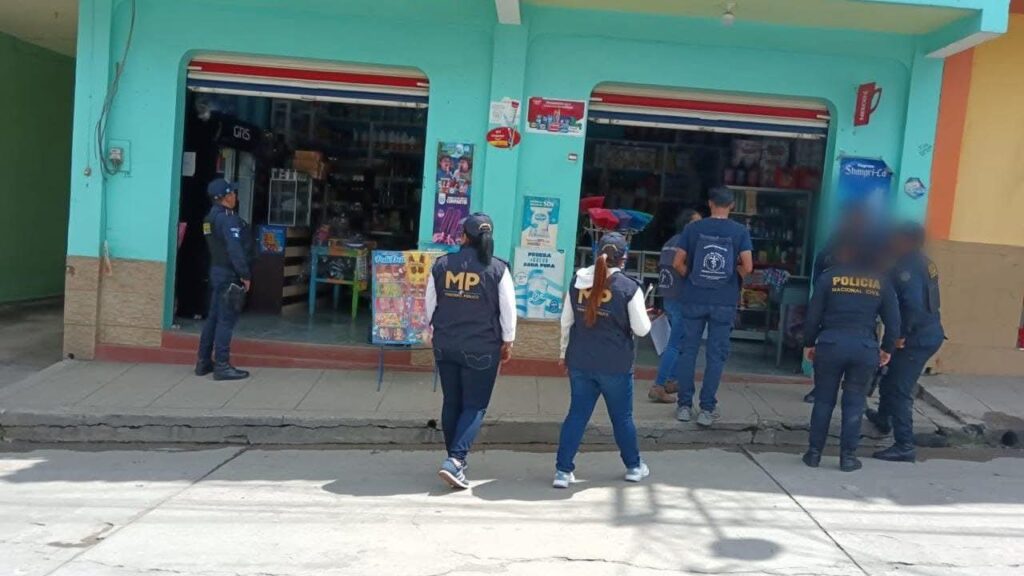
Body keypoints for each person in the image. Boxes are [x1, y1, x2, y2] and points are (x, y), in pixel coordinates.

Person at [425, 213, 517, 489]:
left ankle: (454, 459)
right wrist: (508, 341)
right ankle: (455, 460)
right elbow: (508, 310)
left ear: (463, 237)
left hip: (446, 344)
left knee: (452, 402)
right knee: (474, 405)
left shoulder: (441, 265)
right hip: (482, 346)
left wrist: (432, 330)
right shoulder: (498, 268)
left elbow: (430, 304)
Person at [555, 232, 652, 488]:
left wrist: (563, 353)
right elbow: (642, 329)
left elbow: (566, 321)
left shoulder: (578, 281)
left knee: (577, 415)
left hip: (580, 360)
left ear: (598, 253)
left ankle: (562, 471)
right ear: (624, 258)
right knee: (622, 418)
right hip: (615, 365)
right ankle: (633, 467)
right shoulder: (629, 288)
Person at [802, 241, 900, 472]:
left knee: (823, 400)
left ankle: (814, 454)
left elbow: (812, 315)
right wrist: (886, 349)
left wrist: (809, 343)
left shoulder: (829, 277)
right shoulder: (881, 281)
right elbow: (894, 323)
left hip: (831, 344)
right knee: (854, 403)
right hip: (863, 348)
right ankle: (847, 458)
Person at [673, 187, 753, 426]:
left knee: (688, 351)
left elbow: (677, 262)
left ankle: (684, 406)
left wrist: (691, 277)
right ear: (732, 205)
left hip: (694, 297)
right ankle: (707, 409)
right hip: (724, 301)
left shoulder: (692, 228)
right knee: (716, 355)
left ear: (710, 203)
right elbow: (748, 266)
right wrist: (732, 279)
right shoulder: (740, 231)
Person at [867, 222, 945, 463]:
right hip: (928, 331)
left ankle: (904, 445)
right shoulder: (924, 262)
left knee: (900, 389)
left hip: (915, 337)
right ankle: (884, 419)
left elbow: (912, 304)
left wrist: (901, 335)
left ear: (906, 240)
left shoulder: (906, 266)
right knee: (889, 375)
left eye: (896, 237)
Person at [196, 178, 251, 381]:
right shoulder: (228, 219)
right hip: (229, 274)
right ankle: (222, 365)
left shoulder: (210, 218)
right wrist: (245, 274)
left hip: (217, 272)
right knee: (226, 320)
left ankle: (203, 361)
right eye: (232, 193)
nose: (235, 196)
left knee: (213, 318)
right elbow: (234, 249)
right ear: (224, 197)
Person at [649, 208, 702, 403]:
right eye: (697, 222)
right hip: (682, 298)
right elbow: (682, 268)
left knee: (677, 342)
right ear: (687, 224)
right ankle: (659, 385)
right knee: (675, 344)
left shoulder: (669, 243)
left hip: (668, 297)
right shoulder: (687, 243)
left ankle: (672, 380)